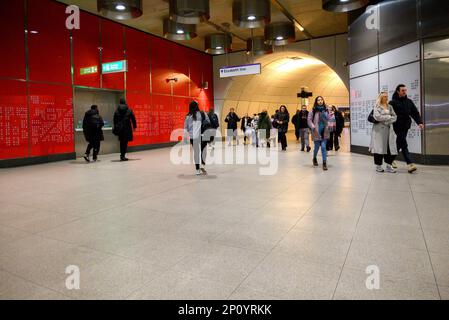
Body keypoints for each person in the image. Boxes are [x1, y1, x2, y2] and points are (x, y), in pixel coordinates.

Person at [389, 84, 424, 173]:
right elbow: (388, 115)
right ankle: (410, 163)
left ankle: (389, 160)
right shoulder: (392, 103)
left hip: (405, 126)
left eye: (405, 90)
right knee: (403, 143)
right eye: (403, 90)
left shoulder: (409, 102)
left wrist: (419, 122)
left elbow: (415, 113)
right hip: (396, 126)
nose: (405, 92)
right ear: (398, 91)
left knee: (399, 143)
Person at [369, 92, 398, 173]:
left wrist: (386, 120)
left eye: (387, 96)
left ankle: (389, 165)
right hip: (379, 131)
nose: (386, 98)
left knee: (391, 148)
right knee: (379, 149)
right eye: (384, 96)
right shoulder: (377, 107)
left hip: (389, 129)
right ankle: (378, 166)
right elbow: (377, 117)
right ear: (380, 97)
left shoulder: (390, 107)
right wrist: (388, 117)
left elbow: (395, 117)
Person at [184, 100, 211, 176]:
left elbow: (186, 128)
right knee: (203, 151)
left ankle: (197, 169)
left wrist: (185, 138)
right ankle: (203, 164)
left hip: (193, 137)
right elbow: (208, 122)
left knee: (196, 153)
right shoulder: (202, 114)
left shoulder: (188, 116)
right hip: (202, 136)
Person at [308, 96, 330, 171]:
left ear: (323, 101)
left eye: (321, 100)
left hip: (324, 130)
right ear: (316, 101)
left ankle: (324, 163)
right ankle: (314, 158)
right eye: (318, 100)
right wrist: (313, 127)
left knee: (323, 147)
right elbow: (309, 120)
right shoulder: (313, 110)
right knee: (316, 147)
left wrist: (328, 113)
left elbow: (329, 119)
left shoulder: (326, 109)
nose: (320, 101)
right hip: (316, 131)